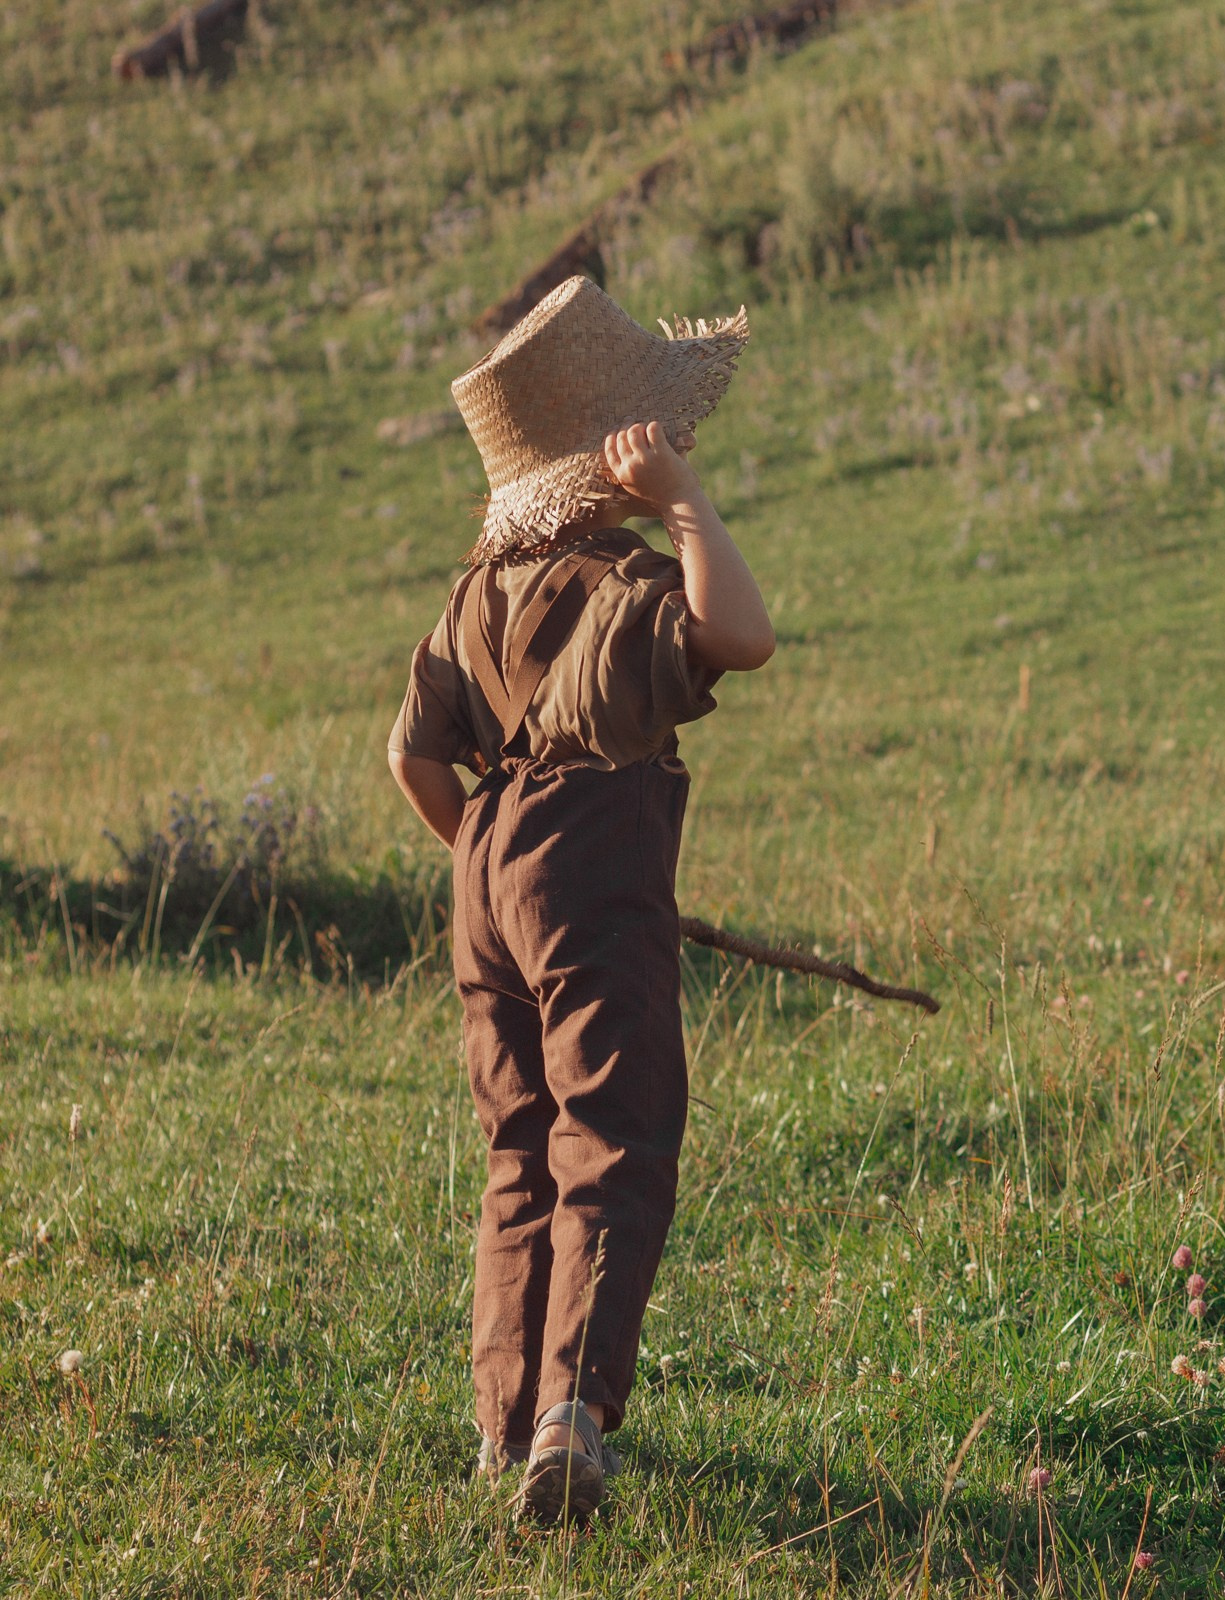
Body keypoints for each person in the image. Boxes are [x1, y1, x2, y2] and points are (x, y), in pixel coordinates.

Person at [385, 276, 774, 1522]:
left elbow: (411, 757)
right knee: (613, 1131)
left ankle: (503, 1426)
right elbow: (744, 635)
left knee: (519, 1148)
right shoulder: (623, 580)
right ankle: (571, 1416)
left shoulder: (473, 597)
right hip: (591, 851)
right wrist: (689, 506)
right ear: (616, 455)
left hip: (483, 872)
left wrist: (488, 861)